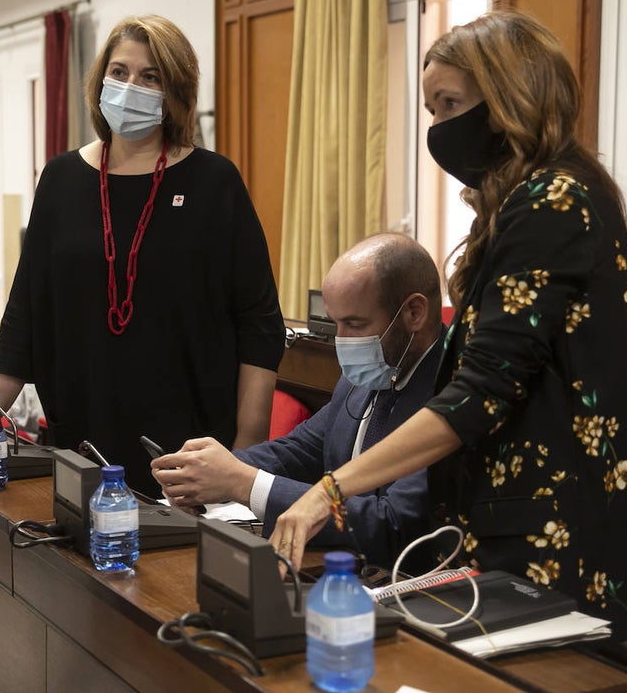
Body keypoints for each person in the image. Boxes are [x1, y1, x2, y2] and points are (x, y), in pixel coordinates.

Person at [270, 9, 627, 642]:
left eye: (450, 104)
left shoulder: (551, 201)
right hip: (516, 524)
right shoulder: (537, 200)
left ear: (510, 98)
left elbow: (480, 393)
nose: (440, 130)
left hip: (550, 536)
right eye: (431, 111)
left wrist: (329, 491)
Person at [0, 15, 285, 498]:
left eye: (151, 77)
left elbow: (259, 323)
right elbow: (26, 309)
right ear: (100, 79)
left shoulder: (215, 182)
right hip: (83, 438)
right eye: (120, 72)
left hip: (190, 448)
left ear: (176, 92)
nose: (132, 87)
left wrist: (245, 453)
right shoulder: (61, 179)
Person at [152, 233, 445, 569]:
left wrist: (243, 483)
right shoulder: (368, 373)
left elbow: (391, 524)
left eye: (355, 325)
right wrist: (208, 471)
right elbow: (301, 450)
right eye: (336, 324)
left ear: (414, 313)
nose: (342, 343)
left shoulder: (453, 395)